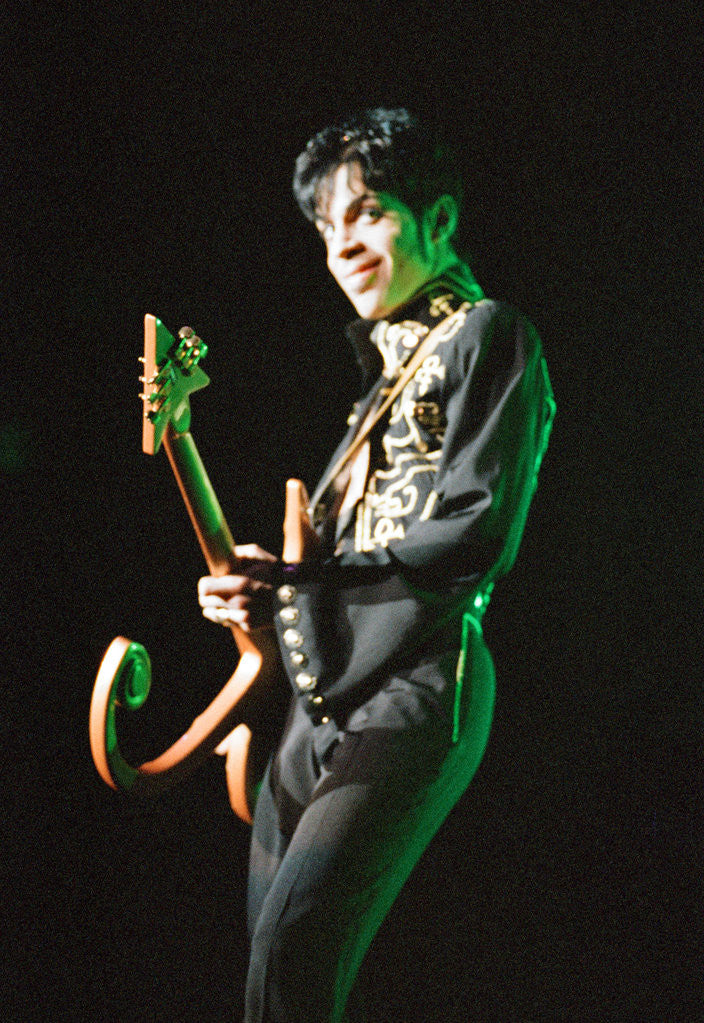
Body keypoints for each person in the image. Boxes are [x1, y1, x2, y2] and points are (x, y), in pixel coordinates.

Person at [197, 108, 555, 1023]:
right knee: (265, 986)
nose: (341, 245)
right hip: (313, 716)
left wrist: (299, 579)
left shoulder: (488, 334)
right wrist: (256, 590)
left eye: (365, 214)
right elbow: (324, 574)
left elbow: (475, 533)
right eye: (325, 228)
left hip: (420, 686)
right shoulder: (372, 396)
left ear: (437, 221)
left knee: (290, 966)